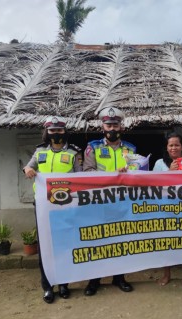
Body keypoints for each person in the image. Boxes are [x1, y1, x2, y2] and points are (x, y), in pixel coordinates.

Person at [23, 116, 83, 303]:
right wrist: (27, 169)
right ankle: (48, 286)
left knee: (64, 244)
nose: (56, 134)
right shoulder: (39, 151)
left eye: (59, 130)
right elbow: (28, 167)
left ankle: (64, 283)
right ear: (47, 133)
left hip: (65, 206)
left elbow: (80, 179)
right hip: (42, 205)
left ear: (65, 132)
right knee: (45, 246)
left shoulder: (74, 153)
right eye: (52, 131)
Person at [83, 107, 135, 296]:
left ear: (121, 126)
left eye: (115, 124)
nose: (112, 127)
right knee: (98, 240)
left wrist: (130, 173)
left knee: (120, 240)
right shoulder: (93, 147)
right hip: (100, 201)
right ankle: (94, 280)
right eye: (108, 124)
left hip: (122, 202)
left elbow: (137, 174)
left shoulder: (130, 148)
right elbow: (87, 172)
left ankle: (119, 277)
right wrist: (112, 176)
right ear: (102, 126)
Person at [153, 132, 182, 289]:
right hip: (165, 209)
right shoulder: (159, 164)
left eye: (176, 145)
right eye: (171, 145)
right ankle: (167, 274)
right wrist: (169, 173)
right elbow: (153, 185)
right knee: (167, 243)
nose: (174, 148)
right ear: (167, 147)